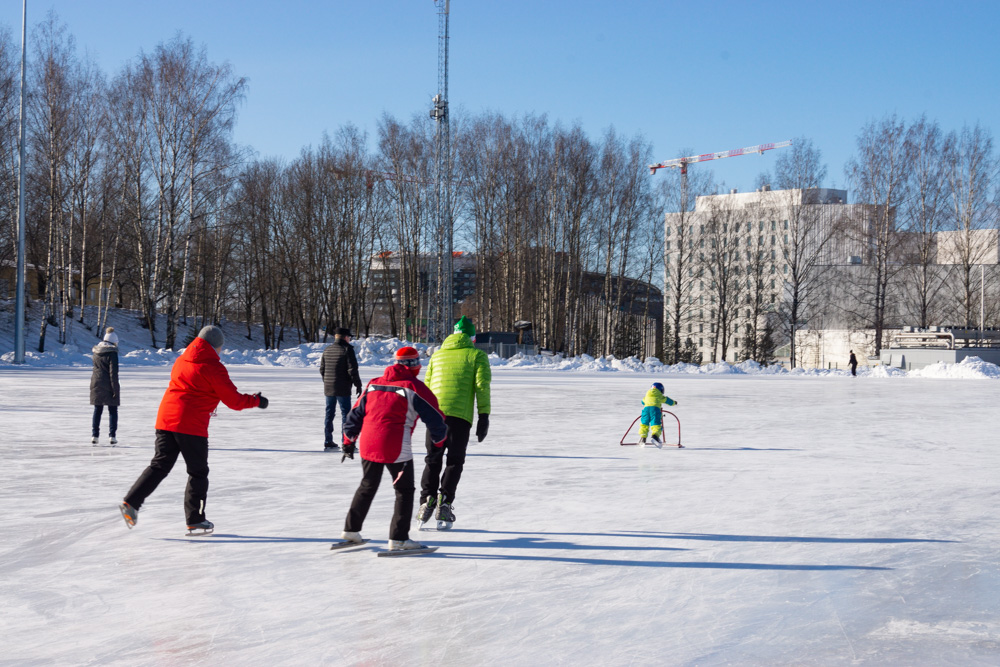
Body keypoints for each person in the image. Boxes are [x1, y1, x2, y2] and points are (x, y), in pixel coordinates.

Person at [118, 325, 267, 534]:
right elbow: (234, 401)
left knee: (159, 465)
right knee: (198, 472)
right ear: (215, 346)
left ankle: (131, 502)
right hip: (190, 424)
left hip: (165, 419)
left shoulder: (182, 360)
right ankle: (195, 518)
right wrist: (256, 401)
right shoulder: (212, 366)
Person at [339, 346, 448, 552]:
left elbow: (354, 414)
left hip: (368, 444)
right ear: (413, 365)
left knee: (367, 485)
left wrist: (348, 440)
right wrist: (439, 442)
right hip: (395, 446)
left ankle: (351, 530)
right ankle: (398, 538)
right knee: (404, 491)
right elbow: (435, 417)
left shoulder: (374, 383)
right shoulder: (414, 387)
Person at [416, 316, 491, 528]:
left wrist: (424, 413)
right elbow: (482, 386)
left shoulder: (437, 356)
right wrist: (484, 416)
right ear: (472, 338)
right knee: (454, 461)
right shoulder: (477, 355)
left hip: (435, 416)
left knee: (432, 459)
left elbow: (427, 387)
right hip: (459, 417)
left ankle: (426, 502)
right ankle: (445, 503)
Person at [320, 327, 363, 451]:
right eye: (349, 337)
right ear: (345, 337)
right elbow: (352, 369)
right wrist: (358, 384)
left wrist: (327, 382)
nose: (350, 339)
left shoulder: (327, 350)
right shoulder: (347, 349)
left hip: (329, 388)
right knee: (346, 415)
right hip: (343, 388)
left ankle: (328, 441)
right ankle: (346, 442)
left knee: (329, 414)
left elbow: (322, 369)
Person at [90, 327, 121, 446]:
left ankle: (95, 435)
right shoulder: (112, 353)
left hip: (96, 383)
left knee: (97, 410)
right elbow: (113, 373)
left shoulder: (96, 352)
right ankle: (112, 436)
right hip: (108, 384)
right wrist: (115, 389)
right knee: (113, 410)